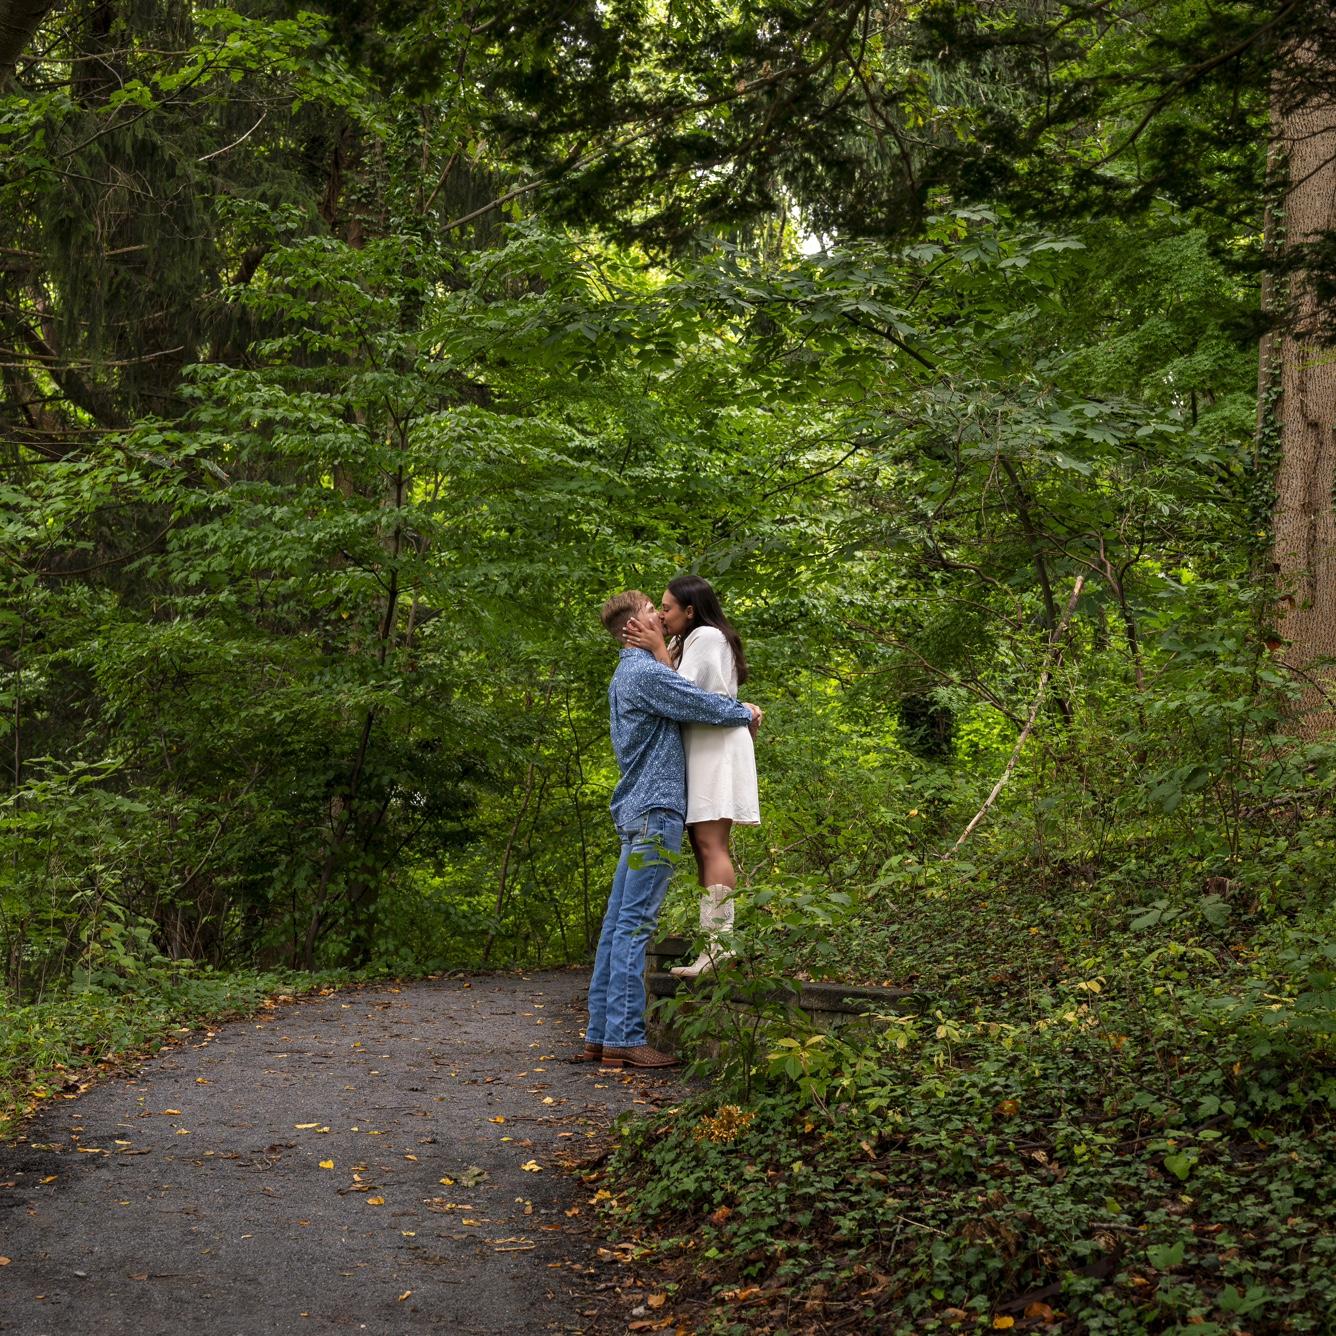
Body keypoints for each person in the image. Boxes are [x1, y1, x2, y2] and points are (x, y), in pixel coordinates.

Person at [580, 590, 762, 1071]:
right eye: (649, 612)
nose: (659, 617)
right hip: (655, 813)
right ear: (632, 628)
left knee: (616, 926)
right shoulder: (646, 673)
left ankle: (600, 1036)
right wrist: (747, 712)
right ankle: (625, 1038)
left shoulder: (626, 673)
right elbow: (705, 705)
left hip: (635, 811)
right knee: (634, 926)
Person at [624, 575, 758, 979]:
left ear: (690, 610)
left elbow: (682, 695)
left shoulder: (708, 637)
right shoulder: (686, 641)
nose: (662, 615)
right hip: (701, 748)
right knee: (703, 846)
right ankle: (712, 947)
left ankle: (720, 949)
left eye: (667, 608)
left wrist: (658, 649)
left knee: (711, 843)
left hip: (715, 747)